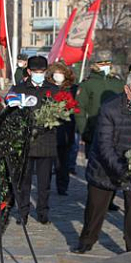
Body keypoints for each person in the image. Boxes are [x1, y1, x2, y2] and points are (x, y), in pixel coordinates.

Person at [73, 71, 131, 254]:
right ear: (126, 89)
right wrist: (120, 168)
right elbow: (104, 145)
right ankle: (87, 241)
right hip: (105, 165)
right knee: (96, 208)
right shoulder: (109, 108)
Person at [10, 56, 58, 225]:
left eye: (42, 72)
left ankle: (43, 211)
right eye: (36, 72)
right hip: (25, 141)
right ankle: (22, 212)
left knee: (44, 182)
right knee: (24, 181)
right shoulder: (19, 89)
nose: (39, 75)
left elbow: (63, 113)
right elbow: (11, 112)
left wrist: (52, 121)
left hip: (47, 140)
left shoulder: (53, 89)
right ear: (29, 72)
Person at [76, 58, 124, 211]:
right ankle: (94, 198)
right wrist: (83, 130)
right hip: (94, 131)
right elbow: (80, 109)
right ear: (95, 65)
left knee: (114, 166)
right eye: (102, 64)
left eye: (108, 64)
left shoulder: (118, 84)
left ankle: (109, 200)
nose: (106, 67)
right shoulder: (88, 84)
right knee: (95, 167)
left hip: (116, 133)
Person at [45, 62, 76, 196]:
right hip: (49, 131)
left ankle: (62, 187)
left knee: (63, 162)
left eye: (61, 73)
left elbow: (75, 109)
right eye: (56, 73)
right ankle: (45, 186)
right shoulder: (47, 88)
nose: (59, 75)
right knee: (47, 163)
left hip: (65, 130)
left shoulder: (72, 89)